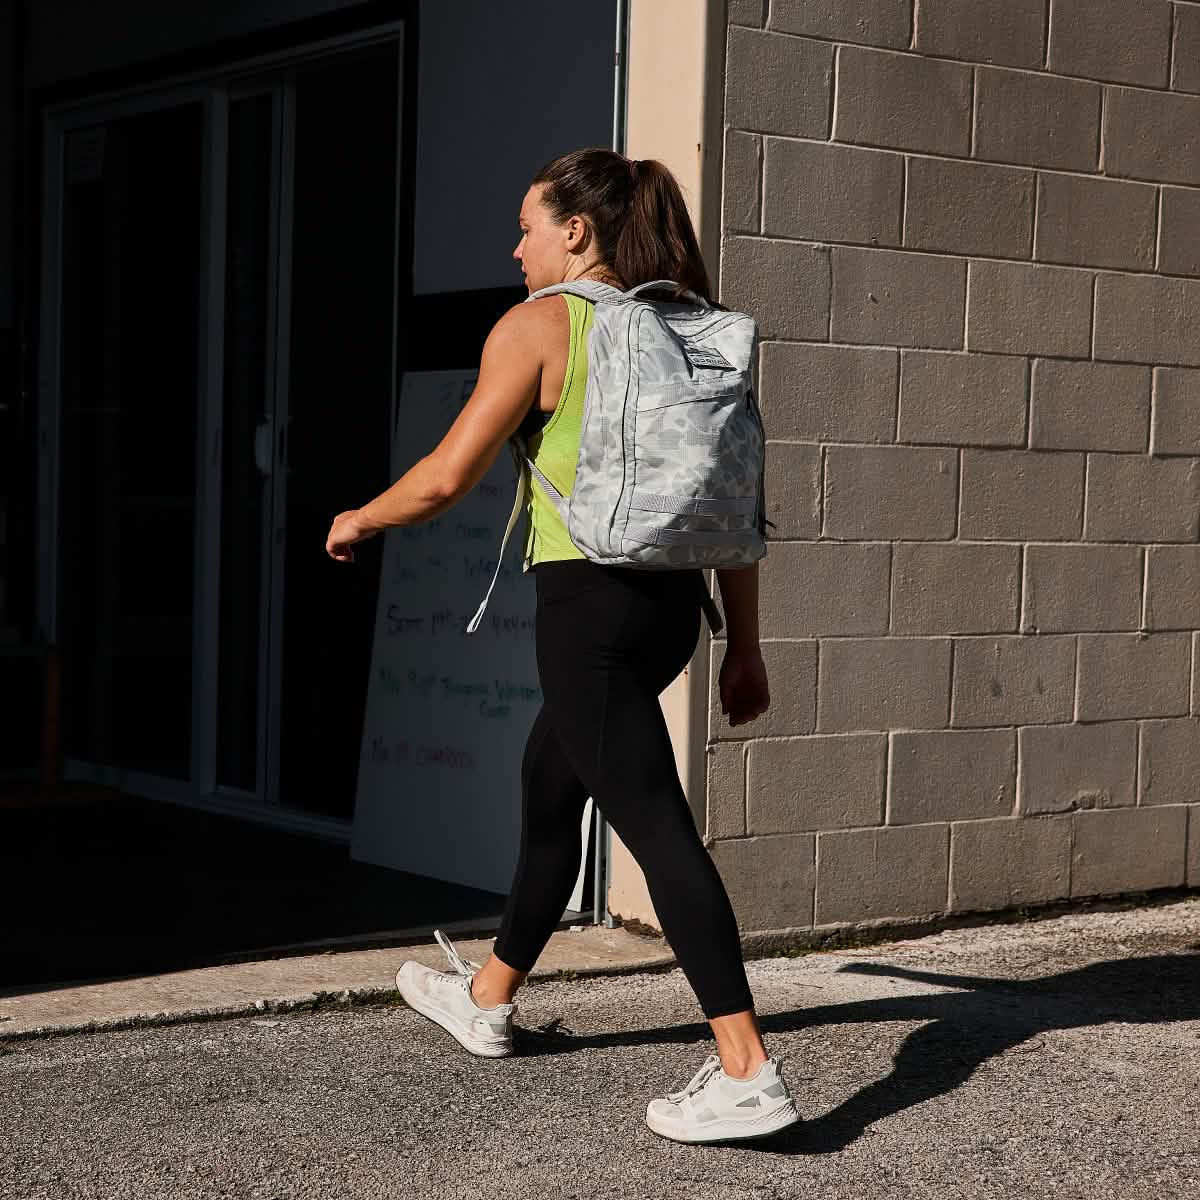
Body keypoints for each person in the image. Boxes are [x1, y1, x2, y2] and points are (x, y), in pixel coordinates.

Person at [325, 147, 799, 1144]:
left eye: (528, 225)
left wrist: (362, 516)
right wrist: (743, 647)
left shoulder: (542, 326)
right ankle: (489, 997)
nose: (517, 246)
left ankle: (747, 1067)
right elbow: (736, 511)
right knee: (553, 783)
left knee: (654, 824)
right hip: (671, 616)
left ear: (576, 231)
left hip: (588, 620)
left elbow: (449, 476)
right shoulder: (684, 330)